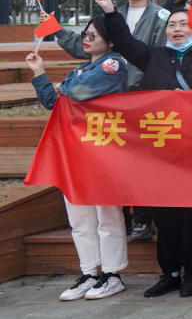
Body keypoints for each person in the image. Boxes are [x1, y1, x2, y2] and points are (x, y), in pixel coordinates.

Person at [96, 0, 192, 298]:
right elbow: (124, 42)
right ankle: (169, 273)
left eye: (183, 24)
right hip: (160, 151)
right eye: (172, 25)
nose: (177, 29)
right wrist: (110, 11)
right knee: (164, 214)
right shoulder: (154, 56)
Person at [26, 17, 129, 301]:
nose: (86, 38)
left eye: (93, 35)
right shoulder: (80, 69)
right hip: (76, 152)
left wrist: (66, 86)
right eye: (85, 33)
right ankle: (89, 273)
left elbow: (79, 91)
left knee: (107, 214)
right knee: (79, 215)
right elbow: (53, 102)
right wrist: (40, 72)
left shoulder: (113, 64)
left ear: (110, 41)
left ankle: (112, 275)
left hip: (104, 150)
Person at [58, 0, 165, 93]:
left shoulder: (161, 17)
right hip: (110, 89)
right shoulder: (112, 15)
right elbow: (92, 46)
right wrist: (57, 30)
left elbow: (161, 61)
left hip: (144, 92)